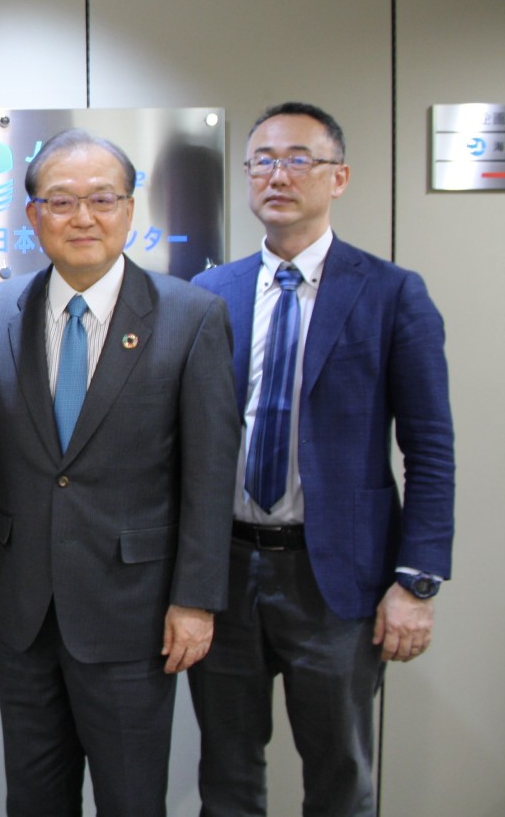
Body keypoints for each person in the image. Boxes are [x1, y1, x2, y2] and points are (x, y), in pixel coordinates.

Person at [0, 127, 237, 817]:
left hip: (133, 610)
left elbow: (209, 471)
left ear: (131, 209)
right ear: (33, 217)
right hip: (22, 608)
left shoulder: (190, 316)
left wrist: (196, 599)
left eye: (103, 199)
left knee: (132, 798)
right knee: (34, 796)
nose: (83, 217)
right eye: (62, 201)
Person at [188, 102, 455, 817]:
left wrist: (416, 583)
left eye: (300, 158)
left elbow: (429, 448)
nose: (279, 174)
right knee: (227, 775)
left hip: (338, 580)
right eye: (264, 160)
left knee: (341, 778)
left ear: (339, 177)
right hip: (225, 570)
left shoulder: (393, 294)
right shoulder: (210, 296)